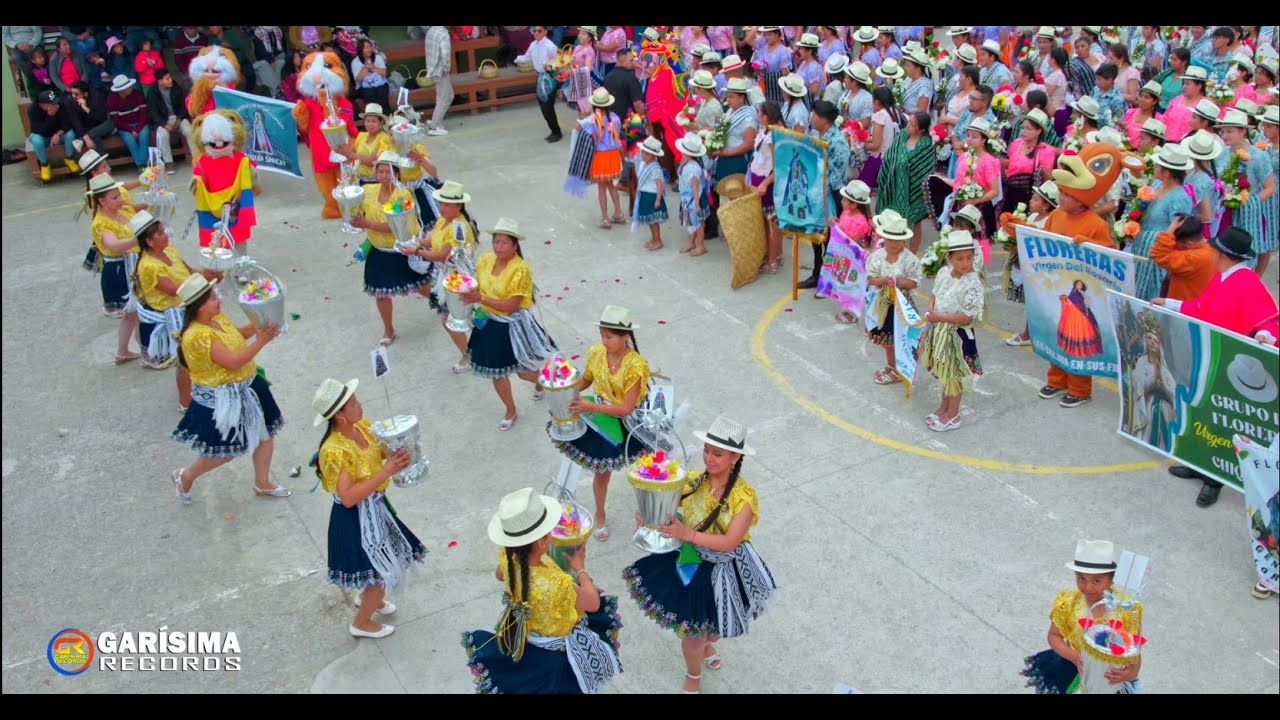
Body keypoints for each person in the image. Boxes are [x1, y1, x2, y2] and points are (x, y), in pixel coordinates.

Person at [622, 415, 778, 695]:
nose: (708, 458)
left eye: (717, 454)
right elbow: (665, 505)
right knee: (694, 636)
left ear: (735, 457)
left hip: (724, 569)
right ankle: (693, 675)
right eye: (706, 450)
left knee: (713, 632)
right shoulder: (693, 480)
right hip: (689, 563)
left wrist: (687, 534)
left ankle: (708, 644)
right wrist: (648, 518)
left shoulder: (744, 498)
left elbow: (729, 542)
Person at [1151, 227, 1280, 507]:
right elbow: (1201, 307)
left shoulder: (1247, 282)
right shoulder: (1222, 276)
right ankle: (1201, 464)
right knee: (1204, 411)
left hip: (1232, 366)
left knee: (1221, 420)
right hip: (1210, 358)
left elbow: (1270, 321)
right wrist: (1170, 304)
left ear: (1222, 254)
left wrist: (1265, 336)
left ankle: (1214, 479)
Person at [462, 487, 622, 693]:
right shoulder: (556, 583)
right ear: (541, 541)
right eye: (549, 532)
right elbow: (592, 603)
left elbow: (500, 575)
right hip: (554, 653)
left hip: (529, 634)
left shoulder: (509, 557)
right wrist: (580, 568)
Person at [312, 377, 427, 639]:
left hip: (375, 508)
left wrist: (395, 451)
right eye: (353, 402)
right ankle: (362, 622)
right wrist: (386, 471)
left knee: (385, 563)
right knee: (380, 572)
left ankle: (368, 598)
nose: (360, 404)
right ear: (339, 416)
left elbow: (378, 451)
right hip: (356, 519)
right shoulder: (334, 450)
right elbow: (348, 497)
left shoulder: (361, 426)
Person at [170, 274, 286, 504]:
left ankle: (262, 481)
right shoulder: (197, 335)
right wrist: (261, 341)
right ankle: (186, 475)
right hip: (223, 399)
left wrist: (262, 323)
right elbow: (232, 361)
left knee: (266, 434)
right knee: (226, 451)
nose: (219, 300)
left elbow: (237, 335)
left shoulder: (216, 317)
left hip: (249, 385)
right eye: (214, 298)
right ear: (199, 307)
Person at [549, 305, 651, 542]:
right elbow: (586, 380)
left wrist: (590, 406)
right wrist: (563, 390)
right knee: (602, 473)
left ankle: (648, 515)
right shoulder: (596, 352)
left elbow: (626, 408)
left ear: (625, 336)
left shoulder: (636, 365)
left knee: (643, 471)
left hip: (629, 423)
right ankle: (600, 513)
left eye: (609, 337)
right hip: (599, 416)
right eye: (602, 335)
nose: (604, 341)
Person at [458, 218, 558, 429]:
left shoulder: (520, 269)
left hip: (513, 326)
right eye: (497, 241)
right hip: (488, 323)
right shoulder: (485, 260)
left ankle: (540, 382)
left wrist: (480, 298)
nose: (499, 246)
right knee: (498, 373)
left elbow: (511, 306)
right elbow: (476, 285)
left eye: (505, 242)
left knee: (524, 371)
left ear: (514, 245)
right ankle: (510, 409)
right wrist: (465, 288)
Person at [1021, 540, 1144, 694]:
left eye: (1097, 581)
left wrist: (1133, 671)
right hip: (1071, 668)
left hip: (1108, 677)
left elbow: (1135, 647)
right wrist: (1073, 656)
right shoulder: (1069, 603)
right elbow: (1054, 635)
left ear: (1111, 579)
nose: (1088, 587)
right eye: (1081, 579)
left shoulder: (1126, 608)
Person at [132, 211, 220, 410]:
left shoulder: (169, 249)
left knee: (197, 354)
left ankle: (199, 389)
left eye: (164, 230)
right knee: (185, 359)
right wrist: (205, 280)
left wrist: (206, 274)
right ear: (149, 241)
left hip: (187, 305)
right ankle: (185, 402)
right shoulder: (148, 266)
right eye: (161, 233)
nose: (166, 235)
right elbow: (175, 289)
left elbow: (189, 272)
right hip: (171, 314)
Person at [350, 152, 431, 346]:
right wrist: (352, 213)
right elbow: (358, 211)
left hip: (401, 250)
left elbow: (397, 226)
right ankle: (388, 329)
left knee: (421, 286)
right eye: (381, 171)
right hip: (379, 250)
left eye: (389, 172)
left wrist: (367, 224)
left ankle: (444, 304)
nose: (385, 175)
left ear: (397, 173)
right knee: (381, 294)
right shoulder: (367, 190)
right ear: (375, 172)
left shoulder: (403, 195)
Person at [406, 180, 479, 371]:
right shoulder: (443, 220)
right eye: (441, 203)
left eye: (447, 204)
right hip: (445, 275)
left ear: (459, 206)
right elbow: (435, 242)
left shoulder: (459, 227)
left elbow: (442, 255)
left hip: (457, 279)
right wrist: (416, 241)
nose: (442, 207)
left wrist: (416, 251)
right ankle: (470, 353)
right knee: (451, 320)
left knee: (452, 321)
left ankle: (469, 356)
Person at [923, 231, 985, 431]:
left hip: (957, 335)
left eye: (969, 258)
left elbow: (967, 316)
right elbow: (935, 294)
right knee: (944, 373)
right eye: (960, 258)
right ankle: (944, 407)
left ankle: (953, 414)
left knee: (954, 375)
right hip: (939, 329)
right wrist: (931, 308)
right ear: (949, 258)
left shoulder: (973, 282)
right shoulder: (943, 273)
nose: (965, 263)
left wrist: (939, 317)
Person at [86, 173, 142, 364]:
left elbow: (138, 212)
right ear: (101, 201)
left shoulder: (121, 210)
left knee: (132, 315)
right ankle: (147, 351)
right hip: (120, 270)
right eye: (115, 197)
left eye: (119, 195)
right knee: (137, 312)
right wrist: (140, 238)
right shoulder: (101, 223)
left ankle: (123, 351)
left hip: (130, 265)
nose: (120, 199)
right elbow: (115, 246)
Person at [798, 101, 850, 292]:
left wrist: (815, 187)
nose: (811, 118)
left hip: (831, 195)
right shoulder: (813, 134)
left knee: (830, 239)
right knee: (815, 235)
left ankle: (830, 280)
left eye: (814, 115)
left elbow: (835, 175)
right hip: (813, 192)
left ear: (823, 120)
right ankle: (816, 273)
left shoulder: (838, 141)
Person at [1218, 109, 1277, 277]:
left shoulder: (1258, 156)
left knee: (1243, 257)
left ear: (1243, 131)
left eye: (1230, 131)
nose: (1224, 135)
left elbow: (1270, 187)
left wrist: (1249, 201)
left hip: (1248, 213)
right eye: (1223, 131)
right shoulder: (1222, 154)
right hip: (1224, 211)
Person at [866, 210, 922, 384]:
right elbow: (871, 279)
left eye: (898, 241)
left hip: (902, 306)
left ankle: (903, 369)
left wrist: (897, 282)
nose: (894, 244)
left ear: (904, 241)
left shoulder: (909, 259)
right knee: (888, 340)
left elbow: (914, 282)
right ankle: (892, 366)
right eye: (890, 240)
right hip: (884, 305)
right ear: (884, 238)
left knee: (904, 339)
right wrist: (883, 280)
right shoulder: (877, 257)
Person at [572, 88, 626, 229]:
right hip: (613, 155)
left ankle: (605, 218)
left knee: (602, 187)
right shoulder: (615, 117)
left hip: (600, 156)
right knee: (611, 185)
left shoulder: (592, 120)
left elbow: (583, 131)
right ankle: (619, 213)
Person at [749, 101, 785, 273]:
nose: (758, 115)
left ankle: (772, 259)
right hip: (758, 181)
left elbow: (779, 167)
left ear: (766, 116)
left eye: (760, 113)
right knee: (763, 222)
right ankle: (773, 254)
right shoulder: (765, 132)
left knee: (772, 225)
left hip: (768, 185)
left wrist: (765, 183)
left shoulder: (774, 136)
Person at [831, 180, 872, 324]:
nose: (841, 201)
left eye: (844, 200)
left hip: (853, 259)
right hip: (843, 256)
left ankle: (852, 312)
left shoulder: (860, 222)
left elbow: (852, 242)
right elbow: (843, 227)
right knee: (843, 282)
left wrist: (839, 231)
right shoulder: (846, 213)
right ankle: (847, 308)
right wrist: (837, 223)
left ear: (854, 204)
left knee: (852, 284)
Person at [517, 26, 562, 142]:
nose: (536, 33)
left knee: (547, 106)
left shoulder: (550, 46)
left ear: (545, 32)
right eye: (535, 31)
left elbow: (560, 61)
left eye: (539, 31)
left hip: (549, 78)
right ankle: (554, 130)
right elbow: (526, 58)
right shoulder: (533, 45)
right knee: (543, 105)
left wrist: (550, 72)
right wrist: (515, 58)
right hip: (540, 78)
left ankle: (556, 132)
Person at [27, 90, 78, 182]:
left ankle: (69, 158)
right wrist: (50, 116)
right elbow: (39, 130)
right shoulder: (33, 110)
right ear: (43, 105)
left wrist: (58, 134)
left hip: (58, 133)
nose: (55, 104)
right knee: (36, 140)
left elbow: (68, 124)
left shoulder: (61, 105)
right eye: (52, 103)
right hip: (43, 136)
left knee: (70, 134)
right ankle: (44, 164)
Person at [146, 70, 192, 169]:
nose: (170, 80)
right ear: (160, 81)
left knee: (189, 130)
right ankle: (169, 162)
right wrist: (164, 124)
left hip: (178, 117)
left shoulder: (176, 88)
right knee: (163, 135)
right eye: (167, 79)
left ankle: (196, 158)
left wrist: (179, 118)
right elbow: (153, 113)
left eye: (170, 77)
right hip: (162, 120)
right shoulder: (152, 92)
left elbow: (183, 106)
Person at [676, 134, 712, 256]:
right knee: (692, 221)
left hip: (694, 198)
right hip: (688, 198)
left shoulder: (692, 167)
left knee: (698, 223)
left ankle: (700, 245)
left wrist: (696, 203)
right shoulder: (688, 163)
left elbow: (695, 186)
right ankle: (691, 242)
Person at [340, 103, 393, 185]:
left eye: (374, 121)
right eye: (367, 121)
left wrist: (350, 154)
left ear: (381, 122)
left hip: (376, 182)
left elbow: (371, 161)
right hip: (358, 179)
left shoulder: (384, 139)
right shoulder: (361, 135)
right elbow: (351, 156)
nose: (370, 124)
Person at [632, 136, 669, 251]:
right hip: (645, 195)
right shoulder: (645, 164)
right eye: (643, 152)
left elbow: (659, 184)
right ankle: (654, 238)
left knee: (654, 221)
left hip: (652, 196)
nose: (643, 155)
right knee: (650, 220)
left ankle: (658, 240)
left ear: (654, 156)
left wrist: (658, 199)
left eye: (647, 154)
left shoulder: (655, 168)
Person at [107, 74, 150, 166]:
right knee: (130, 141)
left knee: (144, 136)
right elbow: (116, 121)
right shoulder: (112, 99)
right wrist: (131, 130)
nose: (131, 88)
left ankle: (143, 164)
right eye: (128, 87)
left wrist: (137, 128)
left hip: (140, 123)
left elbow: (143, 114)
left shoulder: (138, 94)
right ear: (121, 90)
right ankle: (142, 165)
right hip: (124, 127)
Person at [422, 26, 451, 136]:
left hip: (432, 69)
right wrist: (446, 68)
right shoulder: (444, 34)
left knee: (449, 95)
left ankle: (436, 120)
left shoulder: (431, 30)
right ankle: (434, 126)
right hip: (440, 71)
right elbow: (445, 54)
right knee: (444, 98)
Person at [351, 39, 389, 115]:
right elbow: (359, 79)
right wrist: (366, 68)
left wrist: (373, 68)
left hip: (380, 84)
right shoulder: (355, 62)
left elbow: (384, 73)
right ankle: (373, 115)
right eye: (366, 48)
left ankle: (385, 115)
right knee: (369, 93)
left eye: (370, 47)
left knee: (381, 91)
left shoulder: (378, 57)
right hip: (363, 87)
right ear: (361, 50)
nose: (369, 49)